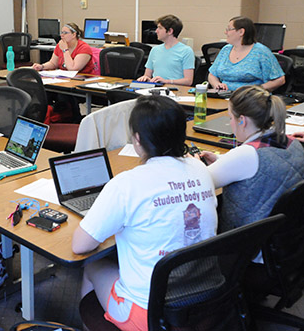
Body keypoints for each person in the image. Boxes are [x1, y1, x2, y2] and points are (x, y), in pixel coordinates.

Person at [72, 95, 218, 331]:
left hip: (149, 313)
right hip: (206, 299)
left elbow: (80, 246)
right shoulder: (200, 168)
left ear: (137, 140)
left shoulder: (127, 184)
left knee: (91, 265)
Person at [199, 85, 304, 232]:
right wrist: (221, 159)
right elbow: (262, 162)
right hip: (283, 235)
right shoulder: (292, 142)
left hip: (247, 243)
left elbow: (197, 184)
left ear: (242, 121)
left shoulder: (246, 154)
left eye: (231, 117)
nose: (230, 123)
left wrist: (193, 163)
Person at [208, 16, 285, 92]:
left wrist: (257, 88)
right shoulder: (226, 50)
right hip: (224, 95)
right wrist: (217, 85)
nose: (225, 32)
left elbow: (280, 80)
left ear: (241, 32)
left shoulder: (261, 52)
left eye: (229, 29)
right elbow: (212, 75)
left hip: (250, 98)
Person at [137, 14, 195, 86]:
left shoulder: (186, 51)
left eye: (160, 28)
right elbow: (147, 75)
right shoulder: (155, 50)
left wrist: (166, 81)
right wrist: (145, 78)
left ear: (170, 31)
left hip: (176, 91)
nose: (156, 31)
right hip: (156, 89)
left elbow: (188, 81)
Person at [32, 23, 96, 75]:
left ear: (74, 35)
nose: (61, 35)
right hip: (65, 78)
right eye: (61, 32)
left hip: (82, 79)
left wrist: (65, 50)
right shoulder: (60, 45)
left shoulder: (84, 48)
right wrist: (42, 66)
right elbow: (53, 63)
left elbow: (72, 69)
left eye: (65, 33)